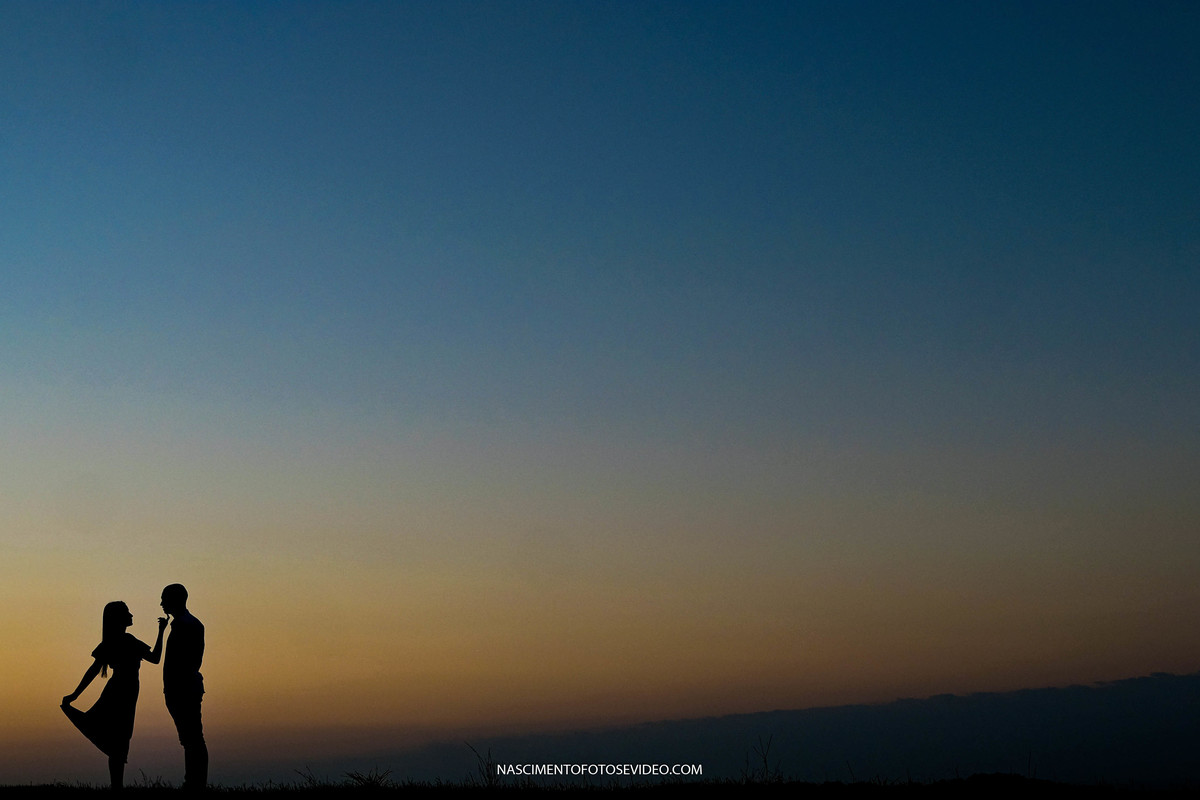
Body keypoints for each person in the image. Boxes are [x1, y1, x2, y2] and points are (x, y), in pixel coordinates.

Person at [62, 601, 167, 789]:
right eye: (127, 612)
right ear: (119, 618)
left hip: (121, 691)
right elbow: (156, 658)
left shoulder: (117, 642)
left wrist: (161, 631)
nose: (131, 615)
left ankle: (116, 786)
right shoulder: (126, 641)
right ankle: (116, 786)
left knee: (117, 742)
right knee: (119, 740)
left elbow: (93, 671)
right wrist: (75, 695)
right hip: (121, 692)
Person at [160, 583, 208, 790]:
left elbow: (187, 661)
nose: (161, 603)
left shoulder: (186, 625)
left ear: (175, 600)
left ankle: (195, 784)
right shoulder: (187, 624)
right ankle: (194, 782)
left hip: (183, 688)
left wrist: (176, 685)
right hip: (181, 687)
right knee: (191, 738)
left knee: (192, 739)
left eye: (164, 599)